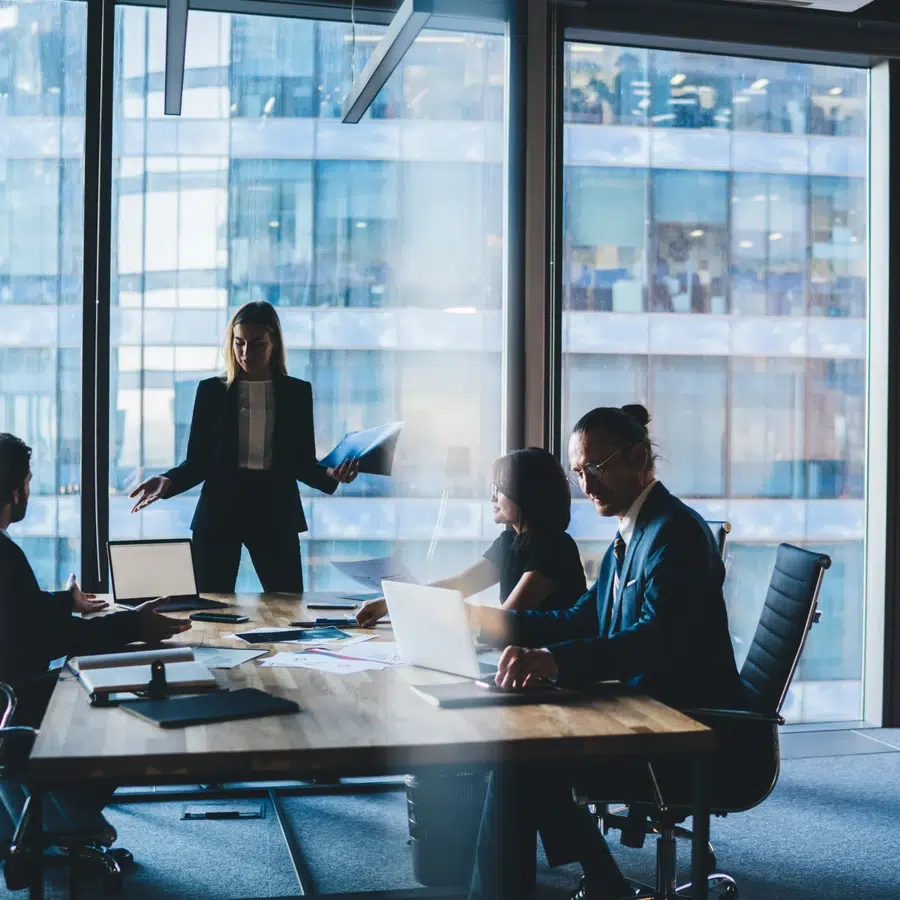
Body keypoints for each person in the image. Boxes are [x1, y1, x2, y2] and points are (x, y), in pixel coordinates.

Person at [467, 405, 746, 900]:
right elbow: (582, 617)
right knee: (522, 753)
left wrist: (553, 661)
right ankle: (603, 881)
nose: (586, 485)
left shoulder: (674, 536)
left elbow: (651, 641)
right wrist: (490, 625)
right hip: (641, 710)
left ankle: (593, 882)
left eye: (596, 468)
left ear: (640, 458)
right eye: (578, 472)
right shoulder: (632, 534)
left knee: (520, 761)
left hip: (683, 729)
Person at [129, 301, 359, 593]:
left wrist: (331, 475)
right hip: (219, 512)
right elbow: (198, 461)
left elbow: (301, 462)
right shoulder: (211, 391)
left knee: (288, 608)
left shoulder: (296, 393)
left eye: (257, 344)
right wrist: (168, 481)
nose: (246, 353)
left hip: (275, 512)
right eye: (239, 343)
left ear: (274, 343)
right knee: (210, 608)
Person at [0, 433, 191, 727]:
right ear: (14, 492)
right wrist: (135, 624)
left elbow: (19, 611)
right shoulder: (6, 555)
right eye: (28, 481)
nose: (29, 490)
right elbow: (48, 638)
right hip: (18, 698)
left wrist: (67, 600)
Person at [356, 448, 586, 626]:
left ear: (527, 494)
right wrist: (390, 603)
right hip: (519, 657)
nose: (492, 497)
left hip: (545, 666)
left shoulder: (555, 548)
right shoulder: (509, 542)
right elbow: (460, 584)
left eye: (500, 489)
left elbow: (506, 620)